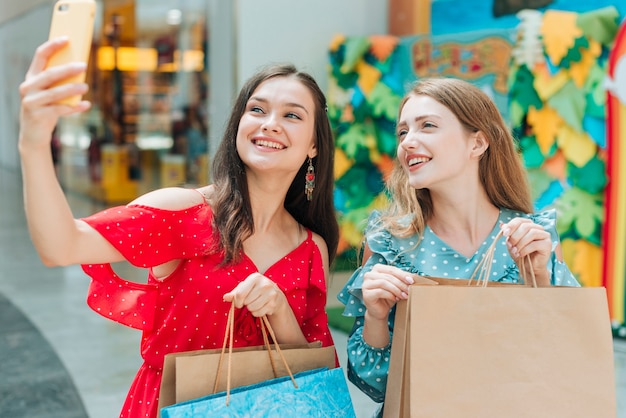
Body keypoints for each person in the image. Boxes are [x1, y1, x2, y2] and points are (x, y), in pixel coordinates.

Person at [19, 37, 339, 418]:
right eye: (257, 109)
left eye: (292, 115)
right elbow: (62, 245)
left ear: (314, 145)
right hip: (168, 407)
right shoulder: (183, 211)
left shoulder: (310, 247)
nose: (270, 125)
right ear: (239, 123)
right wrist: (34, 143)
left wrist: (280, 312)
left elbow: (316, 369)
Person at [337, 77, 580, 417]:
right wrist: (376, 316)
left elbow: (571, 359)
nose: (408, 142)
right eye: (403, 132)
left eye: (427, 126)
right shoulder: (388, 243)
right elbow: (376, 386)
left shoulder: (534, 237)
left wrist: (538, 277)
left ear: (477, 143)